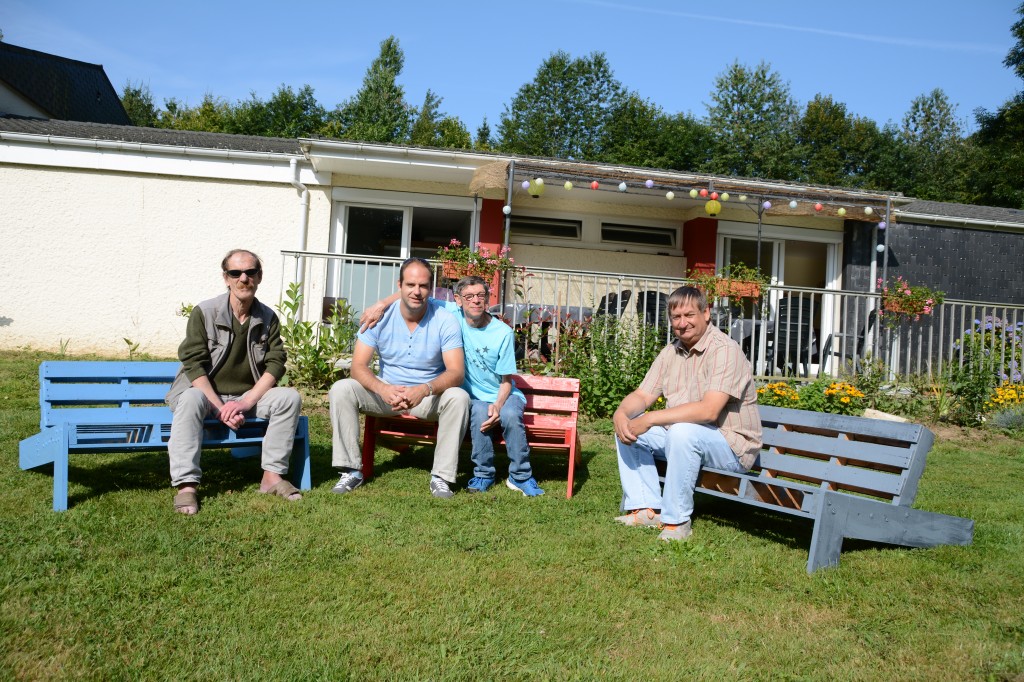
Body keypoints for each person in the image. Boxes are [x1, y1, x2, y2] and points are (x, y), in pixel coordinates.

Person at [361, 275, 544, 497]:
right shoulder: (451, 314)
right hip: (474, 397)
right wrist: (380, 304)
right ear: (458, 299)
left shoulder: (502, 332)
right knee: (478, 415)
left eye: (480, 296)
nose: (475, 301)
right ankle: (484, 474)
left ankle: (521, 476)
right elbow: (415, 295)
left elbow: (506, 381)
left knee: (511, 417)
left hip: (503, 394)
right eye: (469, 296)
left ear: (487, 299)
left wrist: (497, 404)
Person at [613, 285, 761, 541]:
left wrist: (650, 418)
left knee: (682, 432)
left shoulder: (725, 350)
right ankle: (647, 508)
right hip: (689, 438)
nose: (682, 324)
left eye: (689, 315)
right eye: (676, 318)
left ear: (706, 313)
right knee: (629, 426)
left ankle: (677, 522)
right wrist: (621, 413)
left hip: (732, 445)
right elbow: (643, 395)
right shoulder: (671, 351)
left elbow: (709, 411)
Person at [165, 249, 303, 515]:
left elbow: (276, 363)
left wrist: (246, 401)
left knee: (289, 397)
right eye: (235, 273)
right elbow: (193, 364)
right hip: (205, 394)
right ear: (225, 278)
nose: (243, 279)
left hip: (246, 398)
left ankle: (271, 477)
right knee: (192, 399)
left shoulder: (268, 318)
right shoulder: (204, 312)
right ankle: (187, 486)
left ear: (259, 277)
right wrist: (219, 407)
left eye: (250, 272)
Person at [329, 258, 470, 498]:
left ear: (431, 288)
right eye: (411, 284)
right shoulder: (379, 317)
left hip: (426, 397)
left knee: (459, 397)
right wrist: (382, 389)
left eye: (423, 286)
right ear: (400, 285)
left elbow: (456, 372)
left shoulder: (445, 319)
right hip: (386, 393)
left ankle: (442, 477)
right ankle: (351, 471)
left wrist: (424, 389)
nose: (417, 291)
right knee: (342, 388)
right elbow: (358, 367)